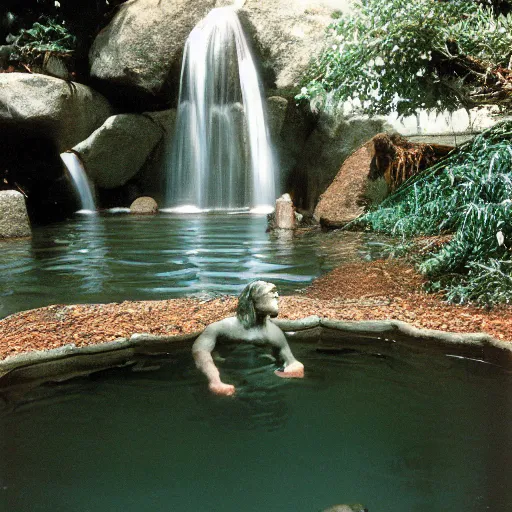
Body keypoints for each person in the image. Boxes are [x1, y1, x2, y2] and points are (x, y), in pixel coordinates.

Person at [192, 281, 304, 396]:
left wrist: (295, 366)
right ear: (254, 298)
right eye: (271, 292)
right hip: (229, 381)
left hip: (265, 384)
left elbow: (291, 361)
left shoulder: (274, 332)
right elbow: (200, 351)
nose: (277, 295)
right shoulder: (224, 327)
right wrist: (215, 380)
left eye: (276, 292)